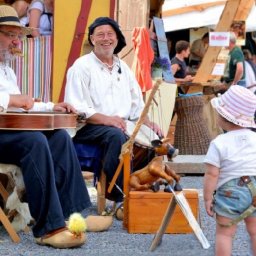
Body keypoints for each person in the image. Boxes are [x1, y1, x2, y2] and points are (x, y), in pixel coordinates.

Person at [0, 5, 111, 249]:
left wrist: (54, 105)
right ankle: (47, 228)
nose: (16, 41)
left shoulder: (6, 69)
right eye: (10, 35)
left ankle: (75, 214)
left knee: (59, 136)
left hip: (7, 133)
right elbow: (13, 103)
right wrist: (9, 100)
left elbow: (23, 108)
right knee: (34, 142)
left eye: (17, 36)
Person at [64, 17, 162, 206]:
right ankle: (118, 193)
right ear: (92, 39)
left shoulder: (122, 67)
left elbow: (136, 103)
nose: (106, 38)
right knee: (115, 135)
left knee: (155, 138)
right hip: (88, 127)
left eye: (110, 34)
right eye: (100, 34)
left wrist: (147, 123)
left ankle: (141, 187)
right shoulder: (81, 67)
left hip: (120, 124)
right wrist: (106, 119)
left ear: (117, 38)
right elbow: (76, 107)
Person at [203, 85, 256, 256]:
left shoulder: (219, 142)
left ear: (224, 117)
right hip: (255, 189)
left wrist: (207, 198)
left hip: (230, 192)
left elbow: (212, 174)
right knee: (255, 231)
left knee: (225, 234)